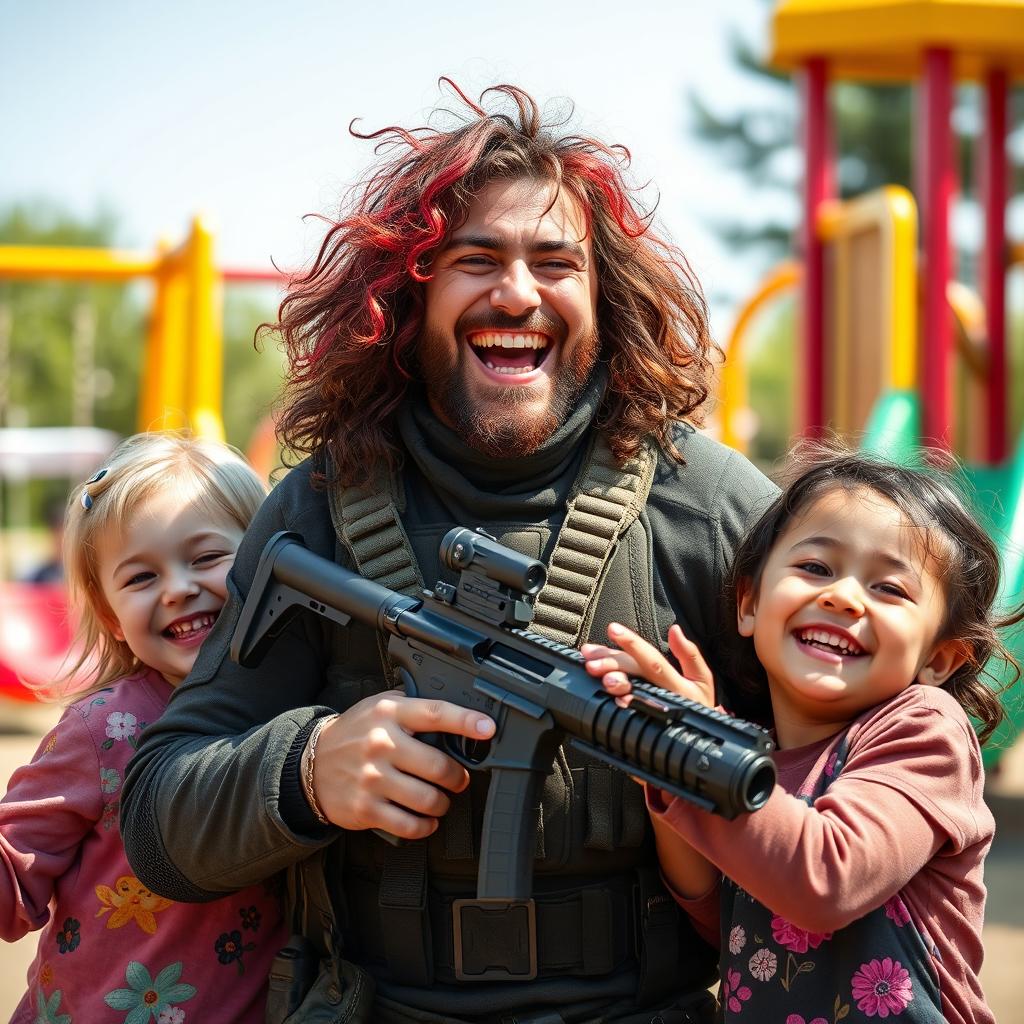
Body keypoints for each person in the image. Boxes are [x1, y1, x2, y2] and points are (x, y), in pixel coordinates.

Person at [120, 81, 778, 1024]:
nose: (518, 291)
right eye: (477, 259)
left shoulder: (708, 504)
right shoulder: (315, 512)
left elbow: (875, 760)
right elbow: (158, 822)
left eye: (556, 262)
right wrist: (310, 771)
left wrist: (714, 763)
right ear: (410, 294)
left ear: (603, 297)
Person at [582, 446, 1023, 1024]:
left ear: (939, 657)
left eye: (889, 589)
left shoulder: (924, 730)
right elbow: (717, 916)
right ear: (749, 601)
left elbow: (824, 880)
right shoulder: (753, 745)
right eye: (815, 567)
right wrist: (667, 746)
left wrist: (700, 750)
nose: (842, 596)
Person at [0, 432, 287, 1024]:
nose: (179, 589)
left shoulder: (295, 713)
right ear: (110, 616)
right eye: (140, 578)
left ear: (268, 561)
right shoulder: (102, 729)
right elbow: (12, 886)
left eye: (207, 558)